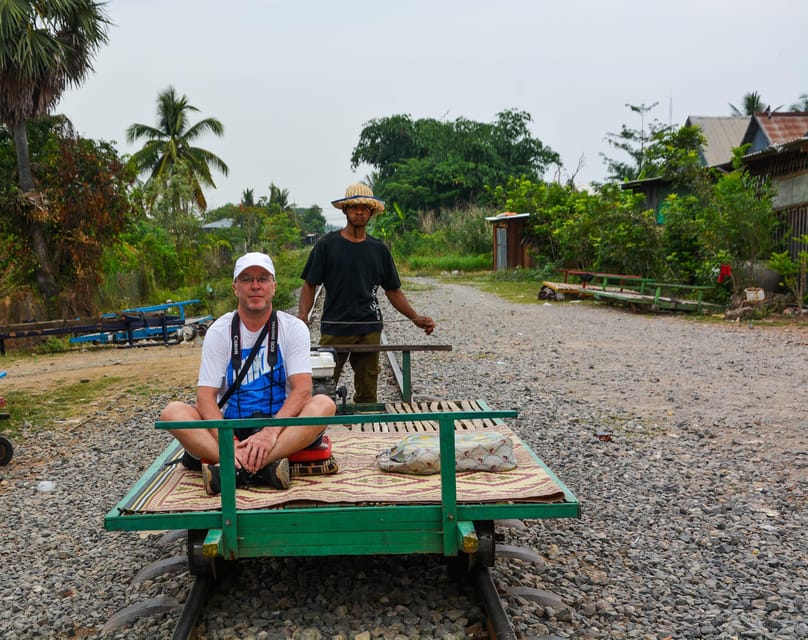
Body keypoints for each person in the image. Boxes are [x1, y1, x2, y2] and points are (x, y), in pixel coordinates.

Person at [161, 251, 336, 495]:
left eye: (263, 279)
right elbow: (205, 397)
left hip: (280, 426)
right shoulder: (219, 331)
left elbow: (302, 390)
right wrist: (228, 441)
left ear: (273, 287)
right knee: (172, 413)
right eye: (247, 279)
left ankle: (238, 468)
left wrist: (270, 433)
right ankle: (259, 465)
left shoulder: (293, 328)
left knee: (324, 405)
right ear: (235, 288)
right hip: (228, 427)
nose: (255, 286)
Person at [297, 183, 435, 404]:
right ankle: (320, 431)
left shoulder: (378, 250)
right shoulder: (327, 246)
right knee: (322, 387)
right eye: (354, 207)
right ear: (345, 210)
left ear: (371, 212)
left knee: (368, 392)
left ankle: (365, 429)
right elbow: (309, 285)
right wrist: (302, 318)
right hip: (335, 328)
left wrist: (415, 317)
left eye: (364, 208)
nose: (359, 212)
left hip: (369, 328)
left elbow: (393, 290)